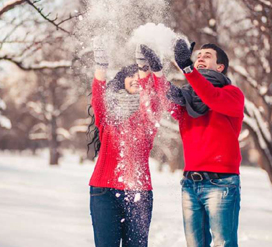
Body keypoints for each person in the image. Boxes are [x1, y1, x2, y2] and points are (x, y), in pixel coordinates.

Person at [87, 41, 166, 247]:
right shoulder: (108, 116)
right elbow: (98, 98)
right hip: (103, 193)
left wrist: (145, 68)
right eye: (130, 75)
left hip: (139, 193)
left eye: (138, 75)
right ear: (121, 82)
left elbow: (154, 97)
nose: (135, 78)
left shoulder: (148, 116)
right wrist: (101, 68)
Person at [167, 39, 245, 247]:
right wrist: (154, 71)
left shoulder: (232, 95)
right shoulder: (187, 99)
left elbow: (211, 97)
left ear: (220, 67)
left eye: (207, 56)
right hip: (190, 184)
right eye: (198, 56)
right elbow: (166, 101)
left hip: (222, 184)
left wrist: (188, 69)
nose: (200, 58)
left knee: (223, 244)